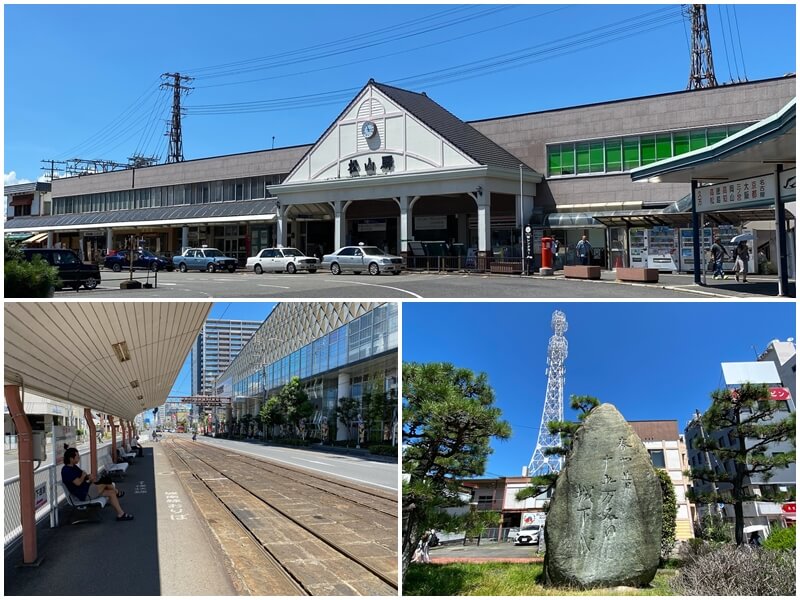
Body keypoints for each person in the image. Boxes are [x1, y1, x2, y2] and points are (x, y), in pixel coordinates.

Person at [61, 447, 133, 521]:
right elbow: (78, 483)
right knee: (106, 481)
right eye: (77, 457)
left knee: (111, 492)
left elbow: (84, 477)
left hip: (88, 489)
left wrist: (89, 476)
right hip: (84, 494)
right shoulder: (66, 470)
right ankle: (117, 492)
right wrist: (83, 476)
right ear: (71, 458)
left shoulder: (74, 467)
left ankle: (121, 514)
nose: (79, 458)